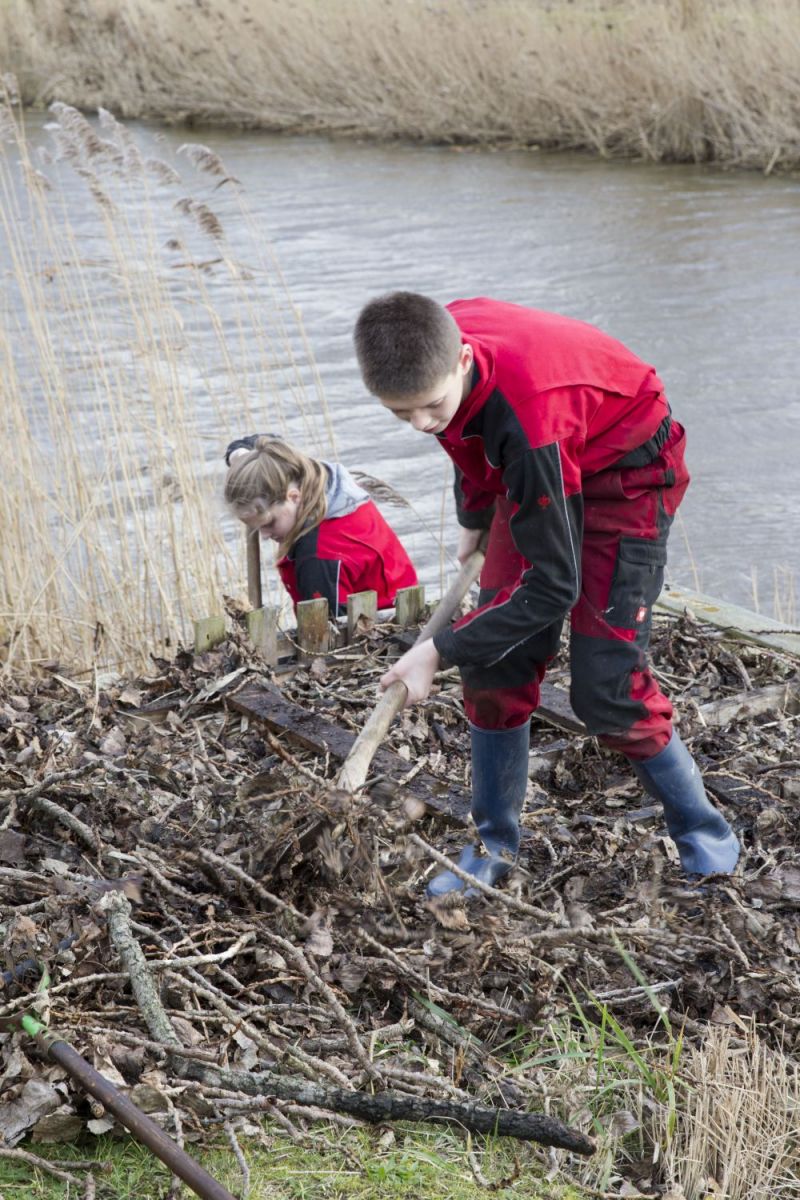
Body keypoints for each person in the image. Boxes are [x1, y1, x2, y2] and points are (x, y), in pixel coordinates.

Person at [353, 292, 739, 895]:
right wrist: (475, 512)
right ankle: (492, 847)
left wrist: (435, 651)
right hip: (544, 466)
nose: (422, 424)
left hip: (627, 474)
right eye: (401, 415)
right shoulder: (431, 344)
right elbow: (468, 435)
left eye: (428, 407)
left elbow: (555, 585)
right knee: (495, 667)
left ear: (461, 360)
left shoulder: (529, 413)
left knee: (606, 689)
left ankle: (704, 833)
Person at [224, 434, 418, 614]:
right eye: (256, 527)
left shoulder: (317, 557)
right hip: (405, 604)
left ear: (293, 497)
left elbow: (328, 635)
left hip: (384, 628)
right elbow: (269, 445)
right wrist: (238, 454)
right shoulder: (324, 484)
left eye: (269, 523)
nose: (264, 536)